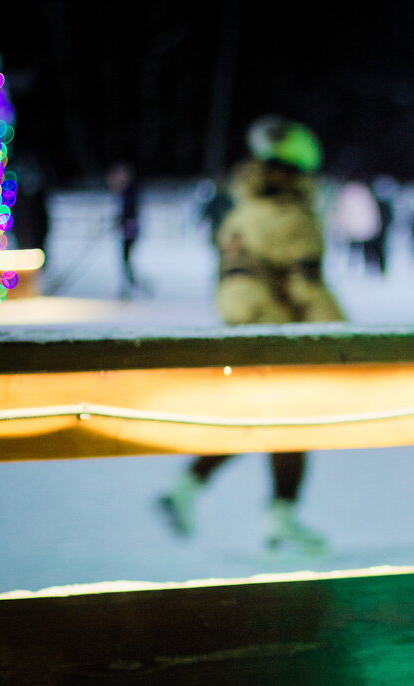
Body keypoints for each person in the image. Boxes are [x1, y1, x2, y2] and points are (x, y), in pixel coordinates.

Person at [158, 116, 341, 552]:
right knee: (283, 425)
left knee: (262, 423)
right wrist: (341, 339)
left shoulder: (239, 213)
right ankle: (278, 515)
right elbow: (307, 287)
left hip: (243, 333)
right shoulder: (293, 218)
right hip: (281, 338)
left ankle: (194, 488)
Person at [105, 163, 148, 300]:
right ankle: (131, 283)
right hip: (127, 229)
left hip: (130, 230)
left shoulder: (130, 191)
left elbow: (130, 211)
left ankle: (132, 283)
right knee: (125, 259)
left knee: (126, 258)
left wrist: (122, 221)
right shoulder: (125, 191)